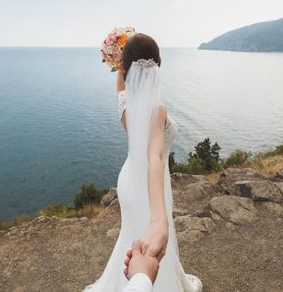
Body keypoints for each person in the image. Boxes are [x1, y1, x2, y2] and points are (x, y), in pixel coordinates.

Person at [83, 33, 202, 291]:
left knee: (132, 236)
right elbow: (155, 156)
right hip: (154, 181)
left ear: (125, 69)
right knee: (153, 239)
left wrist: (119, 61)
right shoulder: (157, 110)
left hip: (129, 179)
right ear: (158, 65)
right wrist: (160, 219)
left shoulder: (126, 103)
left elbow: (122, 85)